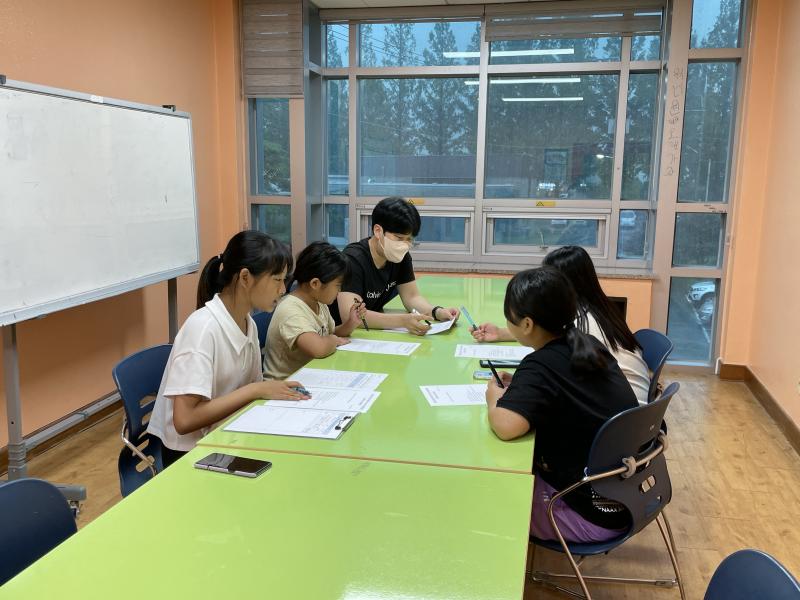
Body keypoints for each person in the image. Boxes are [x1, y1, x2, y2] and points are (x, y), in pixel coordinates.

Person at [485, 267, 638, 542]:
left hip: (589, 514)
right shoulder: (588, 344)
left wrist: (493, 397)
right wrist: (522, 388)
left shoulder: (539, 365)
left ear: (527, 324)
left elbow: (506, 426)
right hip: (626, 497)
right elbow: (565, 389)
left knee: (486, 496)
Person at [147, 231, 310, 467]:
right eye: (277, 280)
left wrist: (266, 391)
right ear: (245, 278)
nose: (283, 289)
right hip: (190, 455)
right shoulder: (203, 329)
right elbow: (184, 420)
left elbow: (251, 392)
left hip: (227, 435)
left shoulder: (248, 323)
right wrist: (256, 390)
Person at [472, 246, 650, 404]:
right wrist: (501, 333)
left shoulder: (582, 326)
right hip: (634, 410)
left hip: (618, 417)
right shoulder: (599, 309)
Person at [331, 196, 460, 335]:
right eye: (399, 238)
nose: (404, 245)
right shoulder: (353, 259)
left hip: (370, 332)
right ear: (378, 231)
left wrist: (437, 312)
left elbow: (412, 297)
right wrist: (402, 321)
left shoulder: (400, 257)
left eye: (409, 239)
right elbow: (350, 315)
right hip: (337, 332)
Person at [264, 241, 367, 379]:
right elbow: (319, 348)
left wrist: (351, 323)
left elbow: (330, 333)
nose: (340, 291)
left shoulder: (318, 302)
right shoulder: (290, 310)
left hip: (309, 376)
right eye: (338, 285)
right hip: (284, 384)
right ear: (315, 284)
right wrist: (334, 340)